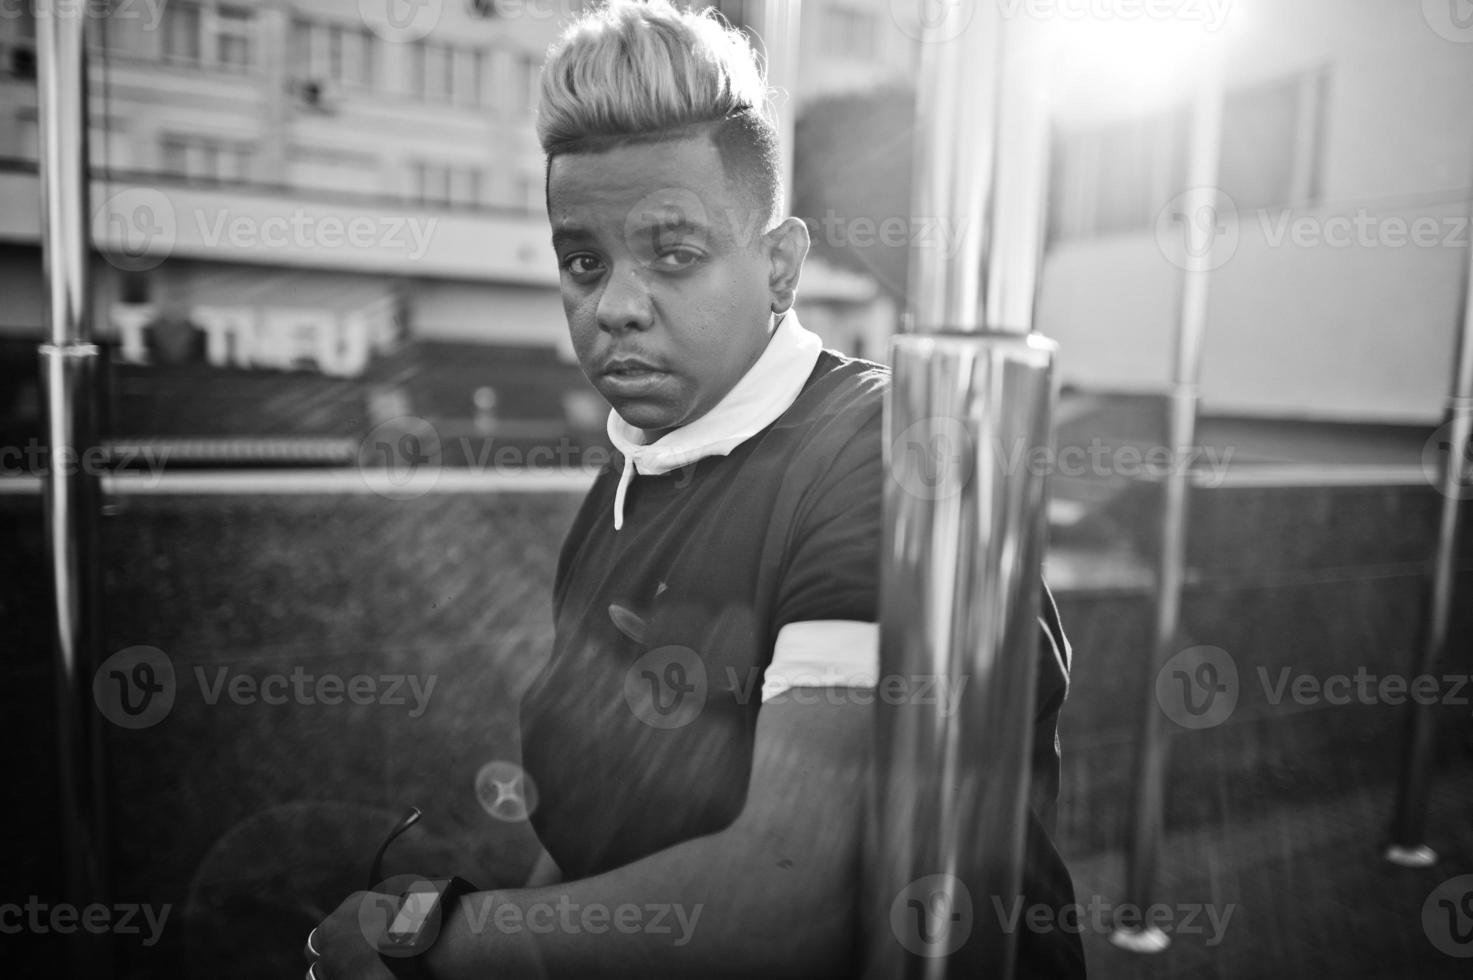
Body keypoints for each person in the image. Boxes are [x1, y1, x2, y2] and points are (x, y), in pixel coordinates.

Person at [306, 2, 1083, 976]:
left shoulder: (888, 457)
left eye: (673, 253)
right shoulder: (630, 480)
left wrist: (441, 945)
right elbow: (588, 837)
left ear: (780, 266)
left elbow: (795, 895)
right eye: (583, 260)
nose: (617, 306)